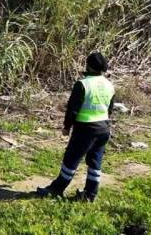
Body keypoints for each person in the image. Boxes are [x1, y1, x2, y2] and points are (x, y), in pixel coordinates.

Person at [36, 52, 115, 201]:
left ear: (89, 66)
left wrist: (67, 127)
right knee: (95, 162)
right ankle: (90, 195)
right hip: (104, 128)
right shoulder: (109, 85)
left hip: (85, 129)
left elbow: (72, 109)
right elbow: (109, 109)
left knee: (71, 160)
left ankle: (55, 190)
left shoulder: (83, 84)